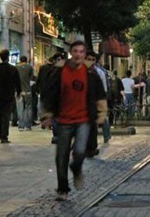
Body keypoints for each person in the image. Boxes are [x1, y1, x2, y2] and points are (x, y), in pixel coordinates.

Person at [40, 40, 107, 201]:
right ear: (71, 53)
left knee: (79, 151)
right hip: (63, 119)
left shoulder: (91, 73)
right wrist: (47, 115)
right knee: (61, 155)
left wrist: (101, 115)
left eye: (81, 52)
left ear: (85, 54)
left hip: (83, 119)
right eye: (75, 51)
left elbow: (99, 95)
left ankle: (76, 169)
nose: (78, 54)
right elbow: (49, 93)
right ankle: (62, 188)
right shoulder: (59, 71)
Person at [85, 51, 110, 158]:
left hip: (93, 104)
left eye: (93, 60)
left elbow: (103, 91)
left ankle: (91, 148)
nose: (90, 62)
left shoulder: (99, 73)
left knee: (92, 127)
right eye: (88, 59)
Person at [0, 49, 21, 144]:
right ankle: (4, 136)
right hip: (8, 96)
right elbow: (17, 82)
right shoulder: (13, 69)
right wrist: (19, 92)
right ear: (8, 57)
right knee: (6, 117)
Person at [16, 56, 35, 130]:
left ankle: (21, 125)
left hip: (19, 91)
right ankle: (28, 125)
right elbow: (32, 78)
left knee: (20, 108)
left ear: (20, 60)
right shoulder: (30, 67)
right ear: (26, 60)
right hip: (28, 90)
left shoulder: (16, 67)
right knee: (28, 108)